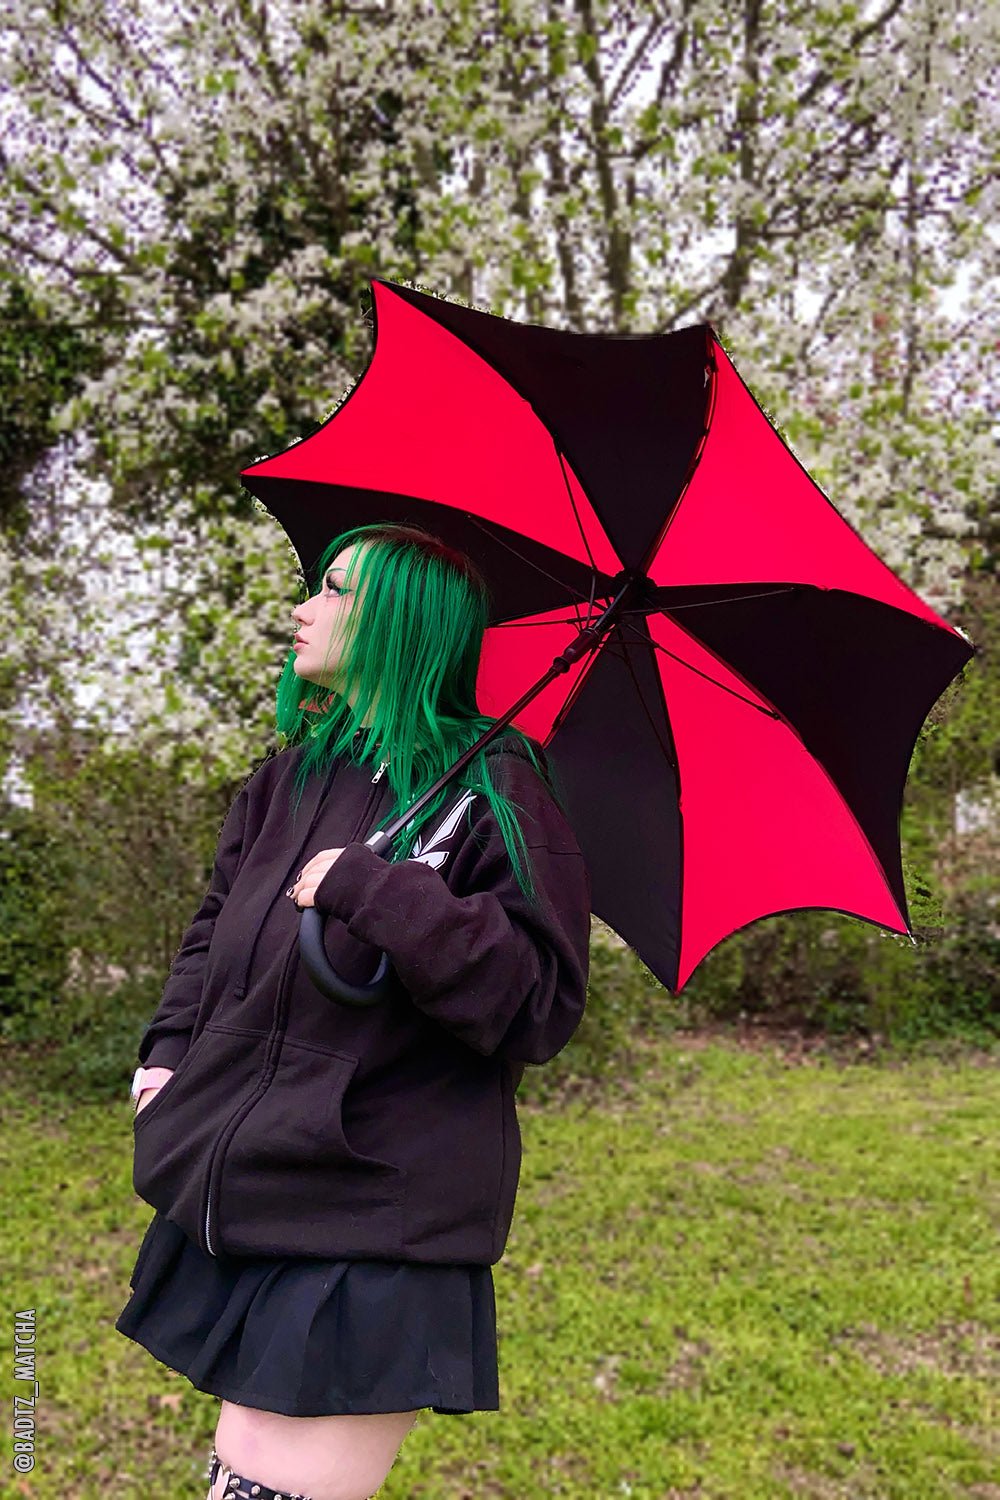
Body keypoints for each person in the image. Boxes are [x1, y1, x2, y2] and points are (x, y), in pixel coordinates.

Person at [116, 521, 593, 1500]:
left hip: (374, 1209)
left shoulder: (498, 787)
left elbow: (536, 1006)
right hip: (255, 1179)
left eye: (333, 589)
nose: (302, 608)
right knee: (235, 1472)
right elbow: (212, 935)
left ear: (403, 622)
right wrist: (166, 1053)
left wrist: (378, 891)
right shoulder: (289, 778)